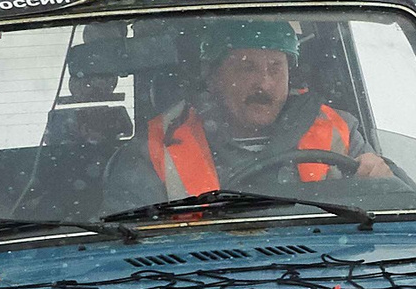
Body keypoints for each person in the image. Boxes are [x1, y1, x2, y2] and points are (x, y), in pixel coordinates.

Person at [142, 17, 392, 195]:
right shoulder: (158, 145)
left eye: (276, 68)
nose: (264, 83)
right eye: (247, 67)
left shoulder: (338, 129)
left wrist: (381, 177)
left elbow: (399, 204)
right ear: (213, 77)